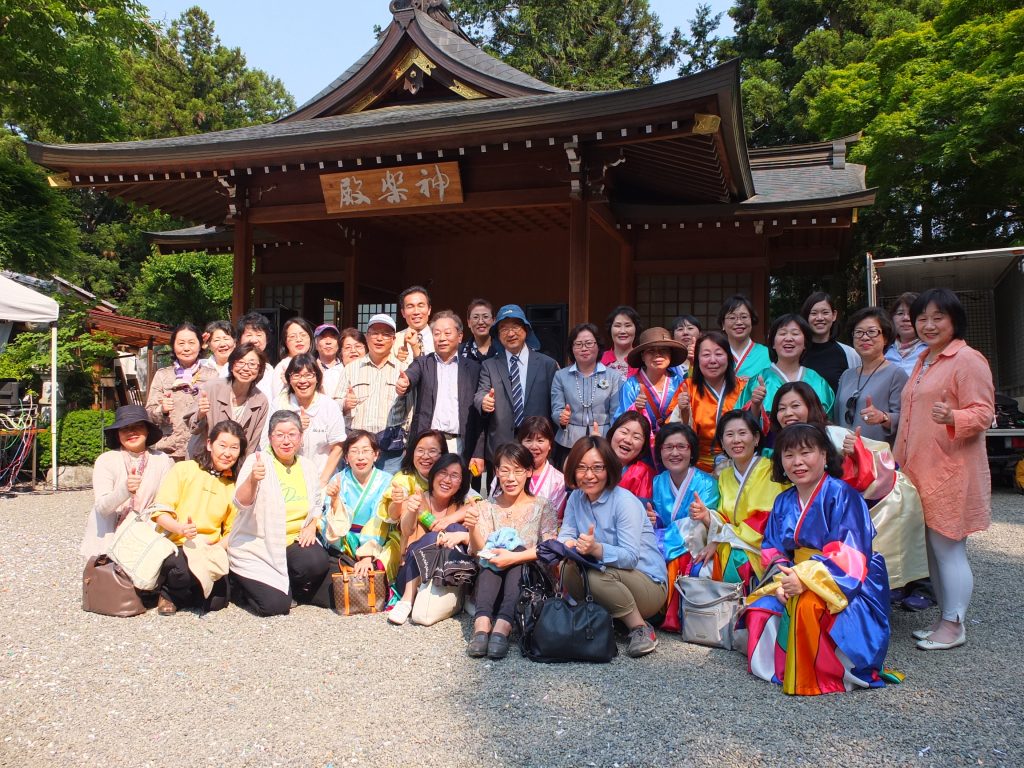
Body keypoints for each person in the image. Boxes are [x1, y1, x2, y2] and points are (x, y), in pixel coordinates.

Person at [745, 423, 891, 695]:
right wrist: (784, 579)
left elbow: (851, 554)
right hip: (795, 575)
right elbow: (772, 549)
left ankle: (826, 673)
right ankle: (784, 667)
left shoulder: (844, 495)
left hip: (847, 579)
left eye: (806, 453)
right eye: (788, 455)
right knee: (760, 608)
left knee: (808, 606)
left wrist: (805, 578)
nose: (797, 462)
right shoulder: (782, 501)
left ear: (824, 455)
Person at [893, 288, 994, 651]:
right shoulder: (925, 359)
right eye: (922, 318)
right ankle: (946, 618)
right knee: (933, 549)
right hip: (920, 469)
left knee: (948, 548)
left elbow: (984, 412)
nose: (928, 325)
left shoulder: (967, 359)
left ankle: (954, 624)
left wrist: (954, 416)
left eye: (938, 317)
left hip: (951, 469)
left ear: (954, 320)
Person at [771, 381, 929, 593]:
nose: (788, 413)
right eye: (781, 408)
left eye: (795, 406)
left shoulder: (834, 434)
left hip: (849, 513)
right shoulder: (781, 442)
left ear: (812, 406)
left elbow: (880, 466)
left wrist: (857, 455)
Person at [559, 436, 669, 658]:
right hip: (609, 577)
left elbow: (630, 557)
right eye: (581, 468)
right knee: (568, 567)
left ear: (609, 469)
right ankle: (601, 618)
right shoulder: (575, 499)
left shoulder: (624, 501)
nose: (589, 475)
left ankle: (640, 628)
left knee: (594, 575)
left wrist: (596, 549)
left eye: (597, 468)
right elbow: (567, 533)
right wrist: (567, 546)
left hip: (648, 583)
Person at [229, 411, 333, 616]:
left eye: (292, 434)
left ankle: (288, 585)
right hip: (260, 545)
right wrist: (252, 480)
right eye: (279, 435)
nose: (286, 441)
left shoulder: (307, 466)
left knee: (316, 562)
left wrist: (312, 525)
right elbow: (241, 503)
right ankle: (239, 584)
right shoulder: (257, 461)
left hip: (293, 542)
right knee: (274, 607)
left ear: (301, 438)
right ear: (270, 438)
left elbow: (316, 504)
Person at [465, 443, 558, 659]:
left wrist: (515, 556)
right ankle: (482, 624)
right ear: (496, 471)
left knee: (516, 552)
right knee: (492, 554)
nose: (510, 478)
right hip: (492, 584)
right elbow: (479, 550)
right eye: (504, 470)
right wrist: (471, 528)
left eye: (518, 470)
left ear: (529, 472)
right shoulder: (487, 506)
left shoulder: (543, 506)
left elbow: (550, 548)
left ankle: (503, 626)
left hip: (529, 585)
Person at [150, 420, 245, 615]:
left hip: (209, 547)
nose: (228, 453)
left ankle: (186, 592)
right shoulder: (184, 469)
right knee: (184, 570)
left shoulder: (232, 485)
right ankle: (168, 593)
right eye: (222, 445)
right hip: (176, 543)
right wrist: (180, 528)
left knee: (218, 601)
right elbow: (159, 512)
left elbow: (232, 530)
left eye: (234, 448)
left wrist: (215, 550)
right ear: (209, 444)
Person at [686, 410, 787, 591]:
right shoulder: (724, 475)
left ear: (756, 438)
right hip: (731, 543)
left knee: (737, 562)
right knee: (696, 564)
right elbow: (725, 517)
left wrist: (720, 540)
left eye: (742, 433)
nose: (736, 440)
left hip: (760, 548)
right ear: (722, 443)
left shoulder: (771, 470)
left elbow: (766, 519)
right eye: (729, 435)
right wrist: (706, 515)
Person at [388, 453, 476, 626]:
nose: (447, 480)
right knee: (433, 537)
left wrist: (451, 522)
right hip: (411, 575)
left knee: (456, 529)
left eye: (454, 475)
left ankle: (465, 593)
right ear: (433, 474)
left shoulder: (461, 506)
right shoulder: (416, 499)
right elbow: (407, 530)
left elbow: (480, 507)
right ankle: (407, 600)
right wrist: (413, 511)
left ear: (462, 483)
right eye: (442, 472)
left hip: (445, 575)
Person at [395, 310, 485, 474]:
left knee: (459, 494)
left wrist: (478, 452)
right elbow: (411, 375)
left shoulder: (473, 368)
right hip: (429, 444)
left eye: (447, 333)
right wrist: (404, 382)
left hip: (460, 445)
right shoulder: (423, 363)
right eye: (437, 333)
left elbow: (478, 416)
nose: (442, 338)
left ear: (459, 336)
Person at [649, 423, 719, 631]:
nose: (674, 453)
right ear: (660, 451)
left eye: (681, 446)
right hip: (669, 542)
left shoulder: (707, 482)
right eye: (668, 447)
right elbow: (661, 520)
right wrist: (654, 520)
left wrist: (703, 514)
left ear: (692, 450)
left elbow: (707, 522)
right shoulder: (658, 481)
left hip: (697, 546)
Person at [82, 404, 175, 560]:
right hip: (110, 536)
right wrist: (124, 489)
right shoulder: (106, 461)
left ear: (147, 430)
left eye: (138, 426)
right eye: (125, 428)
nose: (131, 432)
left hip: (148, 535)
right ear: (118, 435)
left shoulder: (162, 460)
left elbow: (164, 502)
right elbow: (102, 508)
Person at [359, 429, 448, 582]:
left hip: (445, 537)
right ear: (411, 453)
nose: (425, 456)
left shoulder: (448, 477)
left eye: (432, 451)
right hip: (404, 539)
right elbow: (393, 516)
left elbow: (473, 500)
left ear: (443, 455)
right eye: (420, 451)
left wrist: (445, 521)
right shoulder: (404, 479)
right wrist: (398, 501)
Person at [474, 304, 558, 466]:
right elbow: (480, 394)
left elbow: (555, 404)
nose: (511, 333)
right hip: (501, 448)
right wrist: (484, 401)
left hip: (537, 447)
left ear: (526, 330)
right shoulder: (489, 365)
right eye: (504, 329)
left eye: (516, 327)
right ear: (497, 335)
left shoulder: (547, 364)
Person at [681, 330, 763, 472]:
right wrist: (684, 412)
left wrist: (756, 406)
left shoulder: (744, 387)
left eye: (719, 354)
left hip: (739, 463)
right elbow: (676, 433)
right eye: (706, 355)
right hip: (697, 467)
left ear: (728, 358)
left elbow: (754, 429)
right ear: (697, 359)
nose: (713, 360)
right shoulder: (687, 388)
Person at [265, 353, 345, 487]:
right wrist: (294, 428)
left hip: (320, 478)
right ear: (289, 379)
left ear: (317, 378)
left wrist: (323, 481)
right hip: (284, 479)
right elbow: (270, 441)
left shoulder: (329, 406)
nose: (303, 381)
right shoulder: (279, 403)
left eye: (309, 375)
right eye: (296, 375)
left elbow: (338, 446)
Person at [551, 322, 623, 462]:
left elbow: (617, 413)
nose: (584, 348)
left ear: (598, 346)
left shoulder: (613, 376)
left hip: (604, 438)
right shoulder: (561, 376)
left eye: (589, 343)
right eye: (578, 344)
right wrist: (561, 417)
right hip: (569, 441)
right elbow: (556, 408)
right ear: (572, 349)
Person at [342, 313, 405, 472]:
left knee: (389, 494)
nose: (379, 338)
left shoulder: (403, 370)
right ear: (366, 336)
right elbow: (335, 402)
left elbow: (411, 410)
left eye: (385, 334)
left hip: (392, 452)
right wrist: (343, 404)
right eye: (375, 333)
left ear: (393, 340)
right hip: (358, 449)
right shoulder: (351, 368)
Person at [834, 307, 908, 443]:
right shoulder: (847, 375)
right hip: (847, 456)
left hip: (877, 457)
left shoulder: (896, 374)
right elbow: (837, 417)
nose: (865, 337)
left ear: (885, 338)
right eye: (859, 332)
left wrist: (883, 417)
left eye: (872, 332)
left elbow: (906, 419)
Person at [145, 322, 217, 460]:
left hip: (201, 450)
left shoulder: (212, 376)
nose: (186, 348)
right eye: (181, 343)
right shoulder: (163, 375)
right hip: (169, 451)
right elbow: (149, 414)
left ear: (200, 345)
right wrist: (162, 410)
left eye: (191, 343)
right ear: (173, 346)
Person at [320, 430, 393, 562]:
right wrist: (335, 500)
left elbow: (381, 520)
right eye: (354, 451)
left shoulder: (387, 481)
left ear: (376, 455)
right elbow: (333, 519)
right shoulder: (338, 480)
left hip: (376, 541)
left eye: (365, 450)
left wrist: (367, 554)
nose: (360, 457)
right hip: (343, 541)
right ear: (346, 458)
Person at [187, 343, 269, 460]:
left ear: (259, 369)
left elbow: (252, 444)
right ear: (231, 365)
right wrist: (201, 414)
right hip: (203, 459)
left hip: (233, 464)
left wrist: (242, 471)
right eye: (240, 362)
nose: (245, 368)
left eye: (252, 364)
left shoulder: (260, 401)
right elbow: (192, 427)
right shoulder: (210, 389)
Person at [613, 327, 688, 442]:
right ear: (643, 356)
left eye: (663, 350)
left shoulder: (679, 383)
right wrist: (635, 409)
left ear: (670, 354)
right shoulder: (631, 385)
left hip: (672, 444)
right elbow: (621, 421)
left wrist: (685, 409)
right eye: (651, 351)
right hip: (642, 445)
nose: (658, 355)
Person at [756, 313, 835, 419]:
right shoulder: (758, 381)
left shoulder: (817, 381)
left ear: (805, 344)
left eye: (795, 334)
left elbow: (828, 421)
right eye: (783, 333)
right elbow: (743, 424)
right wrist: (754, 406)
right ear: (773, 343)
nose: (788, 338)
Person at [489, 416, 568, 517]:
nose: (534, 447)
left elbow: (556, 519)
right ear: (520, 443)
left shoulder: (559, 481)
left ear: (550, 445)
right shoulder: (505, 474)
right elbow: (493, 508)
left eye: (540, 441)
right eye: (528, 440)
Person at [799, 291, 859, 392]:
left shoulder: (849, 354)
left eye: (825, 312)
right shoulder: (797, 353)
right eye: (813, 313)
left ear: (834, 315)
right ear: (807, 317)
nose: (819, 318)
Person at [606, 411, 655, 502]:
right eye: (624, 432)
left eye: (636, 437)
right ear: (612, 432)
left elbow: (641, 510)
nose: (628, 440)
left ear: (644, 445)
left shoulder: (644, 474)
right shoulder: (596, 461)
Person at [719, 295, 770, 378]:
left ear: (752, 320)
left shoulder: (767, 354)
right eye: (732, 318)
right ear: (723, 324)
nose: (739, 322)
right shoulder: (715, 354)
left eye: (744, 317)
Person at [271, 317, 315, 400]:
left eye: (303, 335)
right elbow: (277, 400)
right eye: (292, 336)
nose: (299, 339)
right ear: (285, 342)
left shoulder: (315, 364)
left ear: (310, 338)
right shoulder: (282, 367)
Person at [885, 292, 927, 376]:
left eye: (911, 313)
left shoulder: (931, 350)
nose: (906, 318)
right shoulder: (884, 349)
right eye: (900, 313)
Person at [236, 311, 276, 400]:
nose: (254, 340)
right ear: (239, 339)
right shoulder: (232, 366)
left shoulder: (270, 370)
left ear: (267, 339)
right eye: (249, 335)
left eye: (259, 335)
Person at [600, 305, 642, 379]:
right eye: (617, 326)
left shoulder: (642, 359)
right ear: (610, 329)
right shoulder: (599, 359)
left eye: (628, 325)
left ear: (636, 328)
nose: (622, 331)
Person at [393, 285, 434, 360]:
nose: (416, 312)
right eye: (410, 306)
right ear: (403, 313)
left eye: (421, 306)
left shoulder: (440, 337)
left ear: (429, 310)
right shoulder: (394, 340)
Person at [459, 298, 499, 362]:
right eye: (475, 317)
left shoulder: (503, 349)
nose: (480, 322)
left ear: (494, 321)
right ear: (469, 322)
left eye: (485, 317)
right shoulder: (459, 352)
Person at [314, 323, 346, 400]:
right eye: (323, 337)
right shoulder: (310, 369)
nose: (328, 342)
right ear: (316, 344)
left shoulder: (346, 368)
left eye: (333, 337)